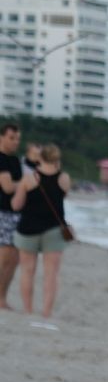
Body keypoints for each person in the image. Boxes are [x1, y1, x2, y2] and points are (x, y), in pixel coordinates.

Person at [11, 142, 71, 321]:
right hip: (53, 230)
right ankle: (46, 313)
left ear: (40, 158)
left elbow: (16, 205)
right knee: (51, 274)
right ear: (57, 159)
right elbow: (63, 196)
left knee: (27, 271)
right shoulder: (64, 178)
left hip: (28, 228)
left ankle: (28, 310)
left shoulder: (29, 178)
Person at [0, 121, 23, 309]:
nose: (15, 142)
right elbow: (7, 187)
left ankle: (2, 297)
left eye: (18, 139)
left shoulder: (15, 161)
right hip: (2, 212)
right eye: (12, 138)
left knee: (14, 259)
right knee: (4, 256)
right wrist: (24, 184)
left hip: (17, 213)